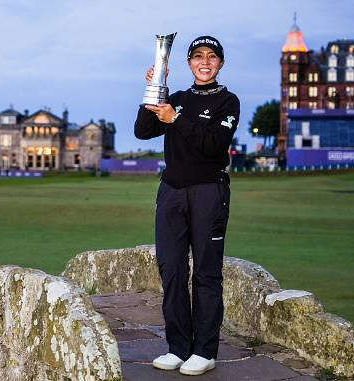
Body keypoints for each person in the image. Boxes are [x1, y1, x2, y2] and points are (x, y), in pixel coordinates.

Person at [134, 35, 240, 376]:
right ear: (189, 63)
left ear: (220, 63)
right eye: (197, 56)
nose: (204, 61)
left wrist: (175, 119)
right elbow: (142, 130)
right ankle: (178, 348)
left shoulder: (229, 101)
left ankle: (204, 351)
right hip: (172, 191)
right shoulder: (175, 98)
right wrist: (155, 87)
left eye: (211, 56)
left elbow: (213, 145)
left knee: (207, 272)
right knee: (172, 270)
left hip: (209, 191)